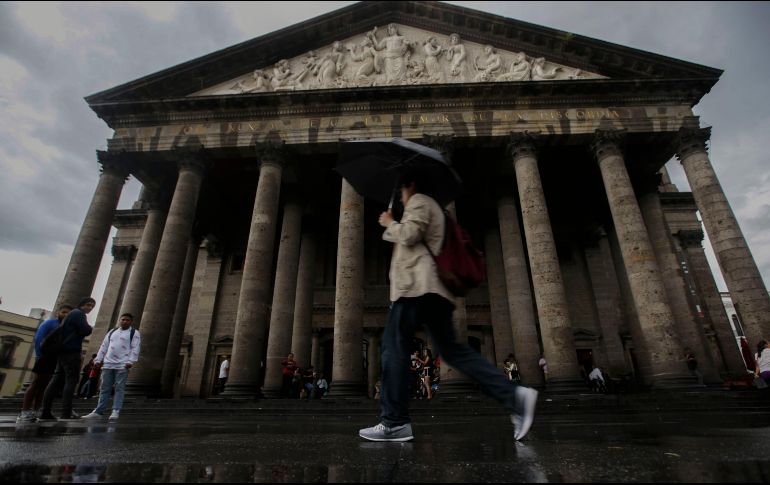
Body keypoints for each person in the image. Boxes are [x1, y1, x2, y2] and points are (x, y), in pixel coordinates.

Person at [358, 168, 538, 442]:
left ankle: (394, 421)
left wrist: (389, 223)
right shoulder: (438, 210)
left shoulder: (420, 202)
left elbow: (409, 235)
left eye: (401, 191)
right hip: (435, 292)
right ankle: (514, 396)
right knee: (454, 352)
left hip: (415, 289)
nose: (401, 197)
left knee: (393, 349)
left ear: (411, 185)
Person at [38, 297, 95, 421]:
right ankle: (66, 412)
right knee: (71, 381)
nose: (90, 308)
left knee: (56, 380)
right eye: (88, 305)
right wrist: (89, 328)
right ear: (81, 304)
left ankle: (45, 411)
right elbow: (86, 330)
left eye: (92, 306)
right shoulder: (79, 314)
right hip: (71, 351)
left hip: (62, 352)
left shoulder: (71, 315)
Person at [17, 305, 72, 424]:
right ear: (58, 313)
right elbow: (38, 338)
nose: (66, 315)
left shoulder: (66, 327)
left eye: (68, 313)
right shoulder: (50, 323)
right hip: (44, 357)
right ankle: (25, 411)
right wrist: (39, 355)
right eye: (64, 312)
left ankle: (36, 410)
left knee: (44, 385)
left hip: (55, 359)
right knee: (36, 383)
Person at [82, 313, 141, 421]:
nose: (125, 321)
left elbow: (135, 348)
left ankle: (116, 410)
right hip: (108, 363)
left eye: (127, 320)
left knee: (119, 388)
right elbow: (104, 346)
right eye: (123, 319)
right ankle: (99, 410)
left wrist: (130, 361)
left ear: (131, 322)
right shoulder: (112, 332)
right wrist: (98, 360)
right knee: (104, 388)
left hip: (122, 364)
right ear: (120, 320)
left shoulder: (134, 333)